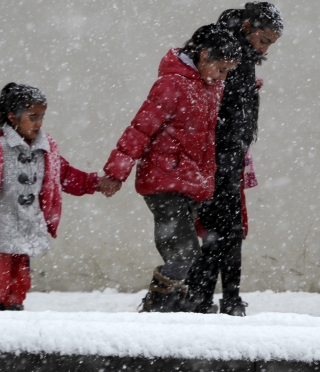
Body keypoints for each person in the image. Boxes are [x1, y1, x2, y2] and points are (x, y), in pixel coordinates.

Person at [0, 83, 119, 311]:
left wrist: (95, 183)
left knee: (18, 286)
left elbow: (65, 174)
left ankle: (10, 327)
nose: (38, 123)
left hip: (27, 228)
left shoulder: (45, 149)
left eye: (41, 117)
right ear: (13, 117)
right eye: (32, 117)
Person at [101, 24, 241, 312]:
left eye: (229, 71)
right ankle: (160, 301)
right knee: (184, 252)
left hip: (189, 182)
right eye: (221, 69)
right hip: (164, 180)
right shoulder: (171, 85)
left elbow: (206, 138)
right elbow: (140, 129)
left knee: (187, 251)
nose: (223, 77)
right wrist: (117, 172)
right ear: (204, 56)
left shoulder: (211, 87)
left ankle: (171, 300)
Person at [186, 2, 283, 316]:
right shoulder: (229, 53)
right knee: (225, 228)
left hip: (228, 152)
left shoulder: (240, 52)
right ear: (247, 28)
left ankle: (214, 297)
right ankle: (217, 298)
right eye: (264, 40)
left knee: (223, 228)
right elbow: (218, 106)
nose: (265, 47)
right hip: (219, 153)